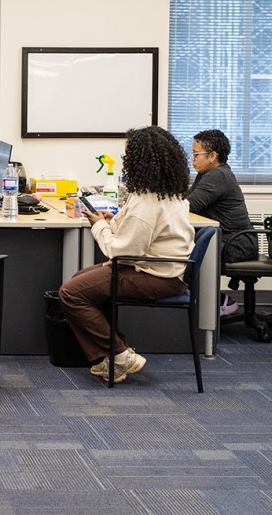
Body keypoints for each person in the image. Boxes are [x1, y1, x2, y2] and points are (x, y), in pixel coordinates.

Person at [58, 126, 195, 383]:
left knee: (71, 293)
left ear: (140, 160)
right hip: (164, 271)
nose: (125, 160)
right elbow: (138, 234)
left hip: (154, 276)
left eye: (128, 155)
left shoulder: (147, 202)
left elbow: (122, 252)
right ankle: (115, 356)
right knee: (82, 280)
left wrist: (98, 225)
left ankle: (120, 355)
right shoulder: (168, 193)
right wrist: (114, 220)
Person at [186, 129, 257, 264]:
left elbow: (189, 205)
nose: (192, 158)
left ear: (212, 156)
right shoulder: (208, 173)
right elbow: (187, 199)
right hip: (228, 239)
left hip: (236, 244)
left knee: (182, 250)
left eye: (196, 154)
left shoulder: (217, 175)